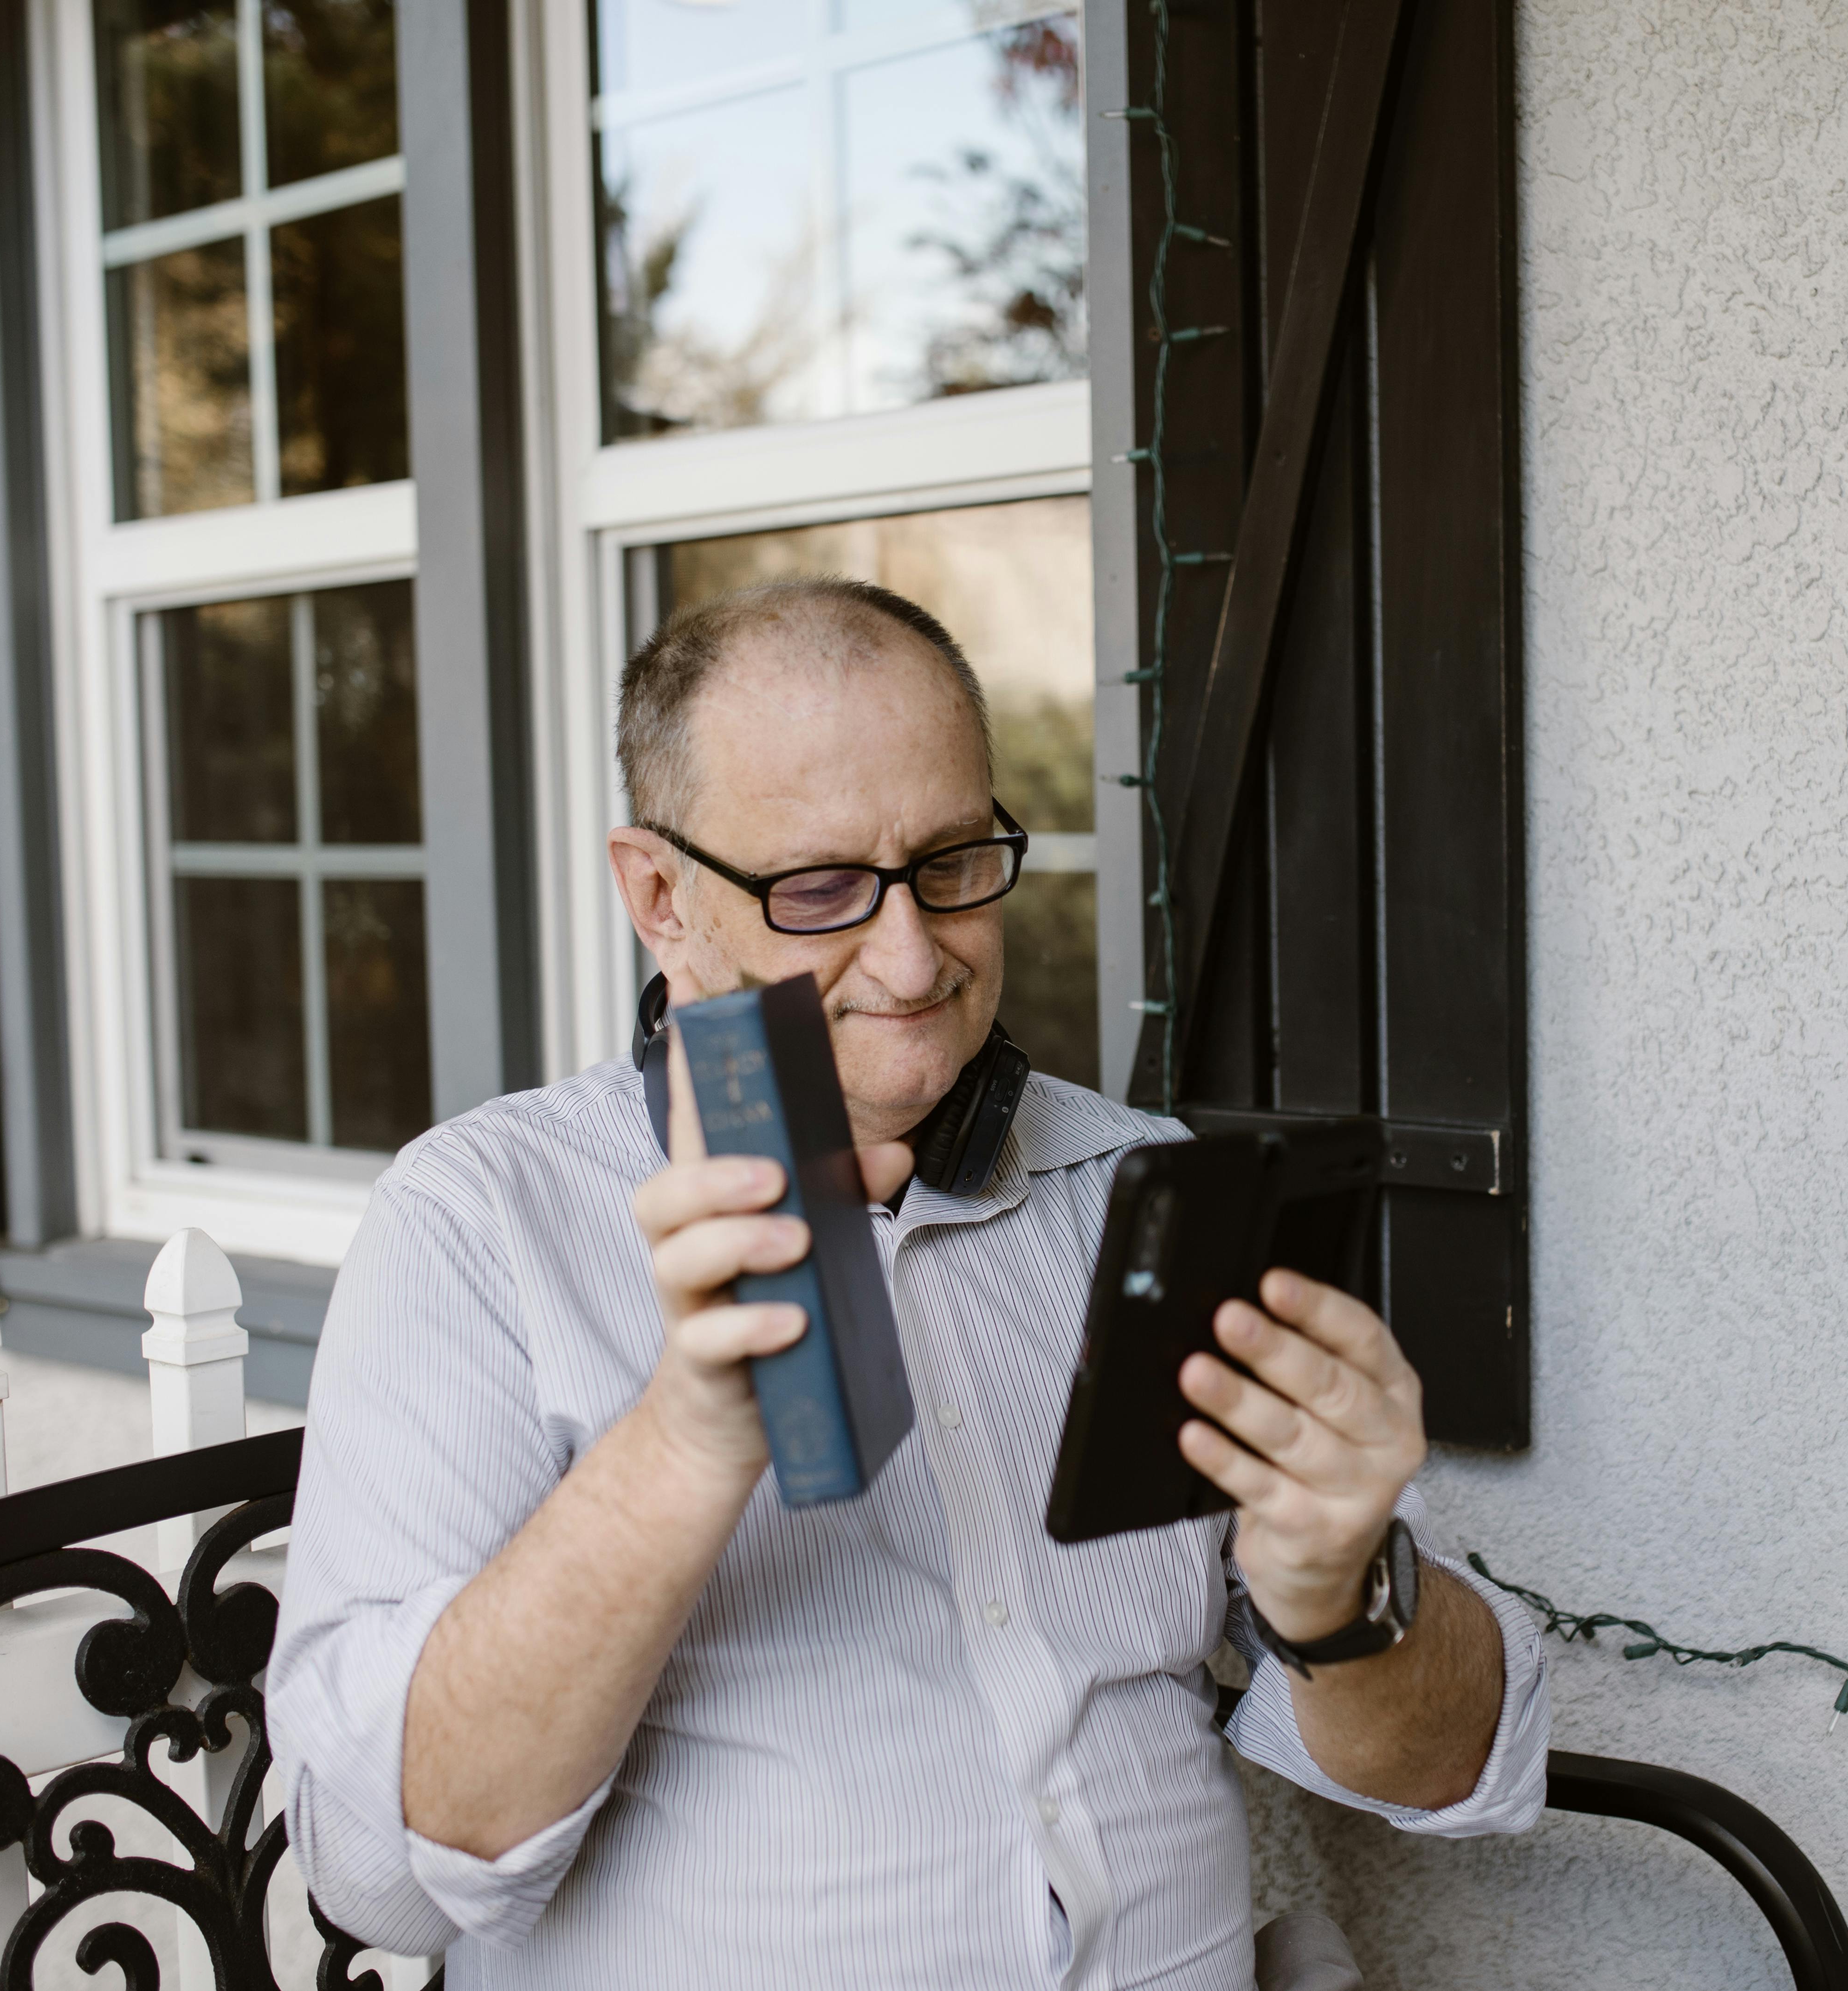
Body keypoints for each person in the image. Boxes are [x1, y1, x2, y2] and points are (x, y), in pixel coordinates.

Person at [271, 578, 1551, 1991]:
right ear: (661, 898)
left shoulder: (1143, 1191)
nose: (911, 953)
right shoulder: (479, 1222)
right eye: (819, 888)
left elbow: (1446, 1767)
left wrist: (1341, 1588)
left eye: (952, 861)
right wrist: (684, 1443)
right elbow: (380, 1875)